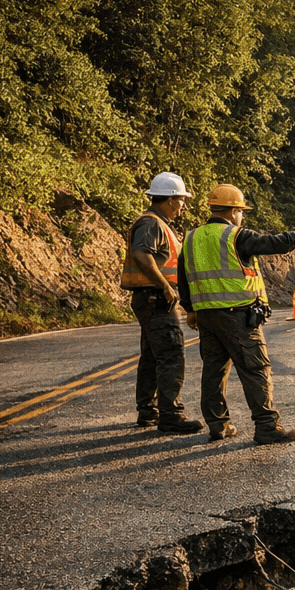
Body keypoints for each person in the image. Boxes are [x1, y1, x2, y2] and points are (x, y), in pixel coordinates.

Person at [177, 185, 295, 445]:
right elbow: (273, 243)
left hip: (206, 316)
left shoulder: (192, 238)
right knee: (256, 369)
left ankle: (218, 425)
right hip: (237, 315)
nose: (242, 217)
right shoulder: (235, 235)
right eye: (241, 212)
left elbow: (183, 276)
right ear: (234, 210)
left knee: (214, 371)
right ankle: (267, 426)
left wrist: (190, 308)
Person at [121, 172, 201, 434]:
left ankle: (148, 411)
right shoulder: (152, 224)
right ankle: (170, 414)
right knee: (170, 353)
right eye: (181, 200)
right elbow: (141, 254)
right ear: (169, 199)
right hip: (156, 299)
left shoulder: (159, 223)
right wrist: (165, 286)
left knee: (152, 356)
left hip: (151, 298)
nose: (184, 205)